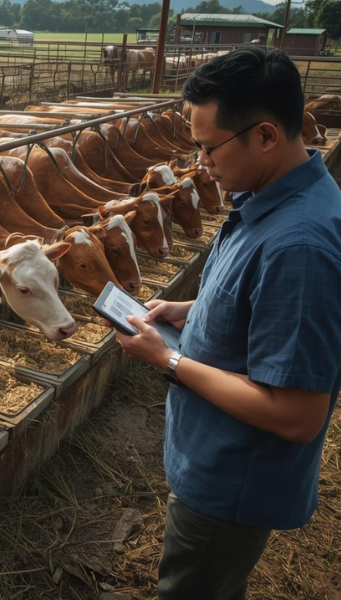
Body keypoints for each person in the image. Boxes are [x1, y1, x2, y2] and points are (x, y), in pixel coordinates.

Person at [113, 47, 341, 600]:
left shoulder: (299, 246)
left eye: (208, 147)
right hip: (216, 455)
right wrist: (189, 309)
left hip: (231, 480)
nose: (201, 163)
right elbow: (261, 300)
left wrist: (168, 358)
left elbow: (297, 415)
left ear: (265, 136)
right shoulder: (273, 197)